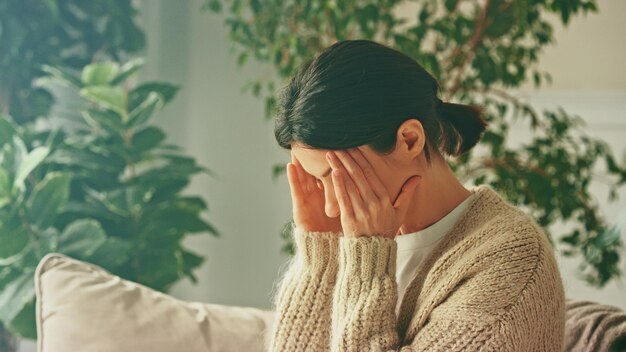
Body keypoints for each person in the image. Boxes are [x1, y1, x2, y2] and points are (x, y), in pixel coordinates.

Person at [268, 39, 565, 351]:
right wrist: (320, 256)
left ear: (409, 140)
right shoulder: (357, 237)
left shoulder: (511, 263)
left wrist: (368, 254)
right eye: (317, 180)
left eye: (335, 176)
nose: (330, 208)